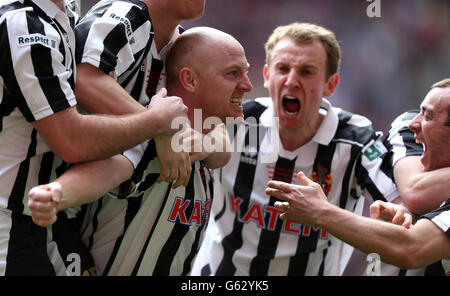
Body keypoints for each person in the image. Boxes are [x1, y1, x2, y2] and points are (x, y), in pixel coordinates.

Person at [28, 26, 253, 275]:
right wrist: (58, 193)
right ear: (190, 79)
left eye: (246, 72)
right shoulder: (157, 138)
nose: (248, 85)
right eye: (233, 74)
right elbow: (110, 170)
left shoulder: (207, 140)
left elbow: (221, 150)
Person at [190, 22, 402, 276]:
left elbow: (401, 216)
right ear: (267, 76)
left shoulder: (355, 141)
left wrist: (324, 214)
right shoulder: (238, 120)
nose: (291, 81)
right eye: (283, 69)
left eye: (306, 71)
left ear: (330, 85)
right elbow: (180, 131)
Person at [0, 0, 187, 276]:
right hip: (8, 222)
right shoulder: (23, 23)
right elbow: (72, 140)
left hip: (43, 219)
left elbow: (218, 147)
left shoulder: (66, 10)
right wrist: (157, 122)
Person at [267, 78, 450, 274]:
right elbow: (415, 190)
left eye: (428, 117)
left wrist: (321, 211)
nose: (415, 123)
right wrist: (405, 208)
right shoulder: (406, 129)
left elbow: (412, 248)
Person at [73, 0, 207, 187]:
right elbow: (83, 78)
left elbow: (220, 124)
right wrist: (158, 128)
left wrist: (212, 144)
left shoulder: (183, 42)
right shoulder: (123, 14)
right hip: (47, 196)